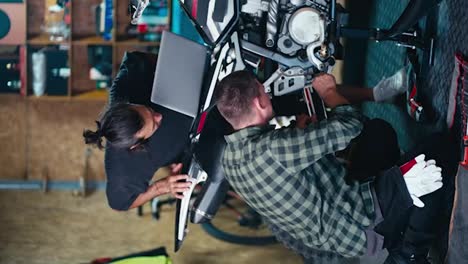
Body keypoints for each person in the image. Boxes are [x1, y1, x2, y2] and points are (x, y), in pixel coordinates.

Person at [214, 70, 450, 263]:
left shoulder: (229, 160)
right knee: (437, 152)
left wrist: (298, 134)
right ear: (258, 102)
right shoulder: (274, 149)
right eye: (264, 91)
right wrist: (329, 92)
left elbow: (276, 168)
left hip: (340, 232)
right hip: (364, 221)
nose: (268, 94)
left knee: (379, 133)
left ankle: (400, 207)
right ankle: (409, 253)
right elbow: (351, 124)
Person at [83, 51, 193, 211]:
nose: (159, 116)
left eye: (149, 110)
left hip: (197, 86)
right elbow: (119, 203)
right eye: (154, 125)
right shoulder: (122, 166)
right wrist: (161, 187)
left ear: (128, 104)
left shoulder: (124, 89)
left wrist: (173, 68)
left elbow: (139, 58)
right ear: (136, 146)